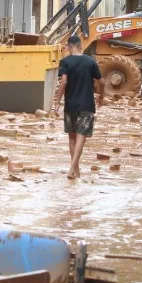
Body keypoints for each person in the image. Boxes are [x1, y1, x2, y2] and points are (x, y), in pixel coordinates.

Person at [53, 36, 105, 179]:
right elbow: (102, 82)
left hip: (70, 105)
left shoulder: (65, 62)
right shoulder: (90, 61)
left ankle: (76, 170)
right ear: (80, 46)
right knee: (81, 137)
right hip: (87, 105)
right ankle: (72, 169)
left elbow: (63, 82)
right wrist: (101, 97)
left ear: (69, 47)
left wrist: (57, 101)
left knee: (72, 137)